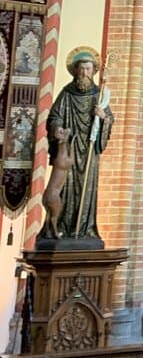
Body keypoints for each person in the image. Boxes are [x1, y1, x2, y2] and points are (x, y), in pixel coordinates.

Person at [41, 46, 113, 242]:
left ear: (94, 71)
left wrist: (103, 117)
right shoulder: (67, 94)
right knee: (64, 187)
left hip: (89, 150)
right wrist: (57, 128)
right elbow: (55, 116)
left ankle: (84, 228)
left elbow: (109, 119)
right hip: (69, 149)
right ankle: (61, 227)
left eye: (88, 69)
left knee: (86, 188)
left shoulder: (98, 96)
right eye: (81, 69)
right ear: (75, 70)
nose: (84, 73)